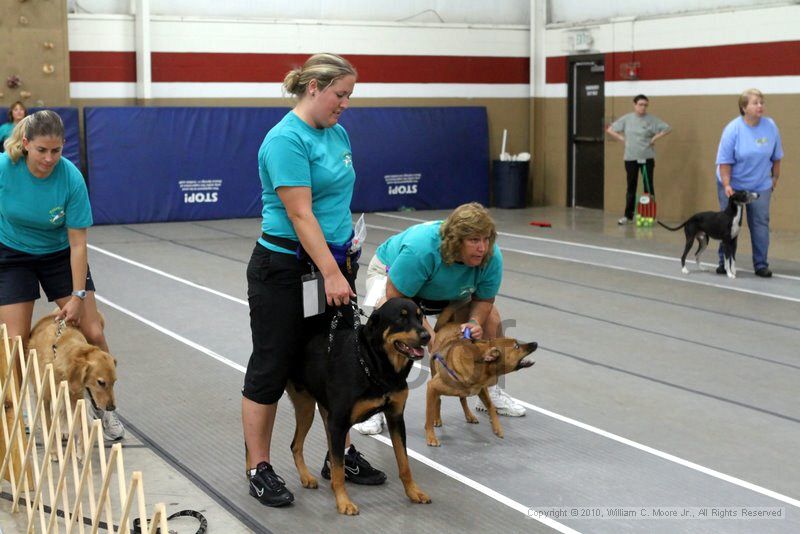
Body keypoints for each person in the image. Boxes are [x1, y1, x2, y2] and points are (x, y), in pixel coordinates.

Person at [241, 53, 386, 508]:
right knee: (272, 366)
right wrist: (329, 272)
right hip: (286, 272)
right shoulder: (285, 140)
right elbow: (300, 214)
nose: (345, 104)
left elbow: (334, 203)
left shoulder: (336, 132)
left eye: (349, 96)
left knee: (335, 363)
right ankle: (259, 467)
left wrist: (344, 261)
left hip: (333, 266)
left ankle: (338, 454)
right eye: (340, 95)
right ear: (313, 89)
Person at [0, 110, 124, 441]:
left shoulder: (70, 178)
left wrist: (77, 295)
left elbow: (79, 244)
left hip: (58, 254)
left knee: (93, 330)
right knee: (14, 342)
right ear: (26, 144)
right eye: (42, 150)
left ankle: (104, 407)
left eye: (56, 150)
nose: (49, 158)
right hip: (12, 255)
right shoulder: (4, 169)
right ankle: (20, 409)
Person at [354, 203, 525, 436]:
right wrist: (429, 335)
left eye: (486, 239)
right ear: (456, 240)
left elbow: (485, 300)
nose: (482, 247)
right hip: (396, 280)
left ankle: (490, 389)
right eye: (474, 240)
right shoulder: (421, 249)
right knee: (387, 318)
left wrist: (474, 323)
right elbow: (397, 297)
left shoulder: (491, 256)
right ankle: (375, 403)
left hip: (448, 293)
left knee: (491, 319)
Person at [715, 88, 783, 278]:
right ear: (744, 108)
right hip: (733, 183)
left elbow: (776, 156)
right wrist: (727, 185)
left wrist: (775, 178)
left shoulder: (770, 126)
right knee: (729, 224)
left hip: (760, 183)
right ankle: (724, 262)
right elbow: (724, 162)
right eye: (755, 103)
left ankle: (761, 264)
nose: (760, 106)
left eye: (762, 102)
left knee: (760, 223)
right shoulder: (732, 129)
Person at [606, 94, 671, 225]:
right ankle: (628, 215)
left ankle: (649, 214)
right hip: (631, 158)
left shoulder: (652, 120)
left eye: (645, 105)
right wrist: (621, 138)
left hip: (647, 158)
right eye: (640, 105)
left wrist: (654, 138)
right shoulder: (627, 119)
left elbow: (667, 128)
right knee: (631, 186)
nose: (643, 107)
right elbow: (610, 129)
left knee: (648, 186)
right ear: (635, 105)